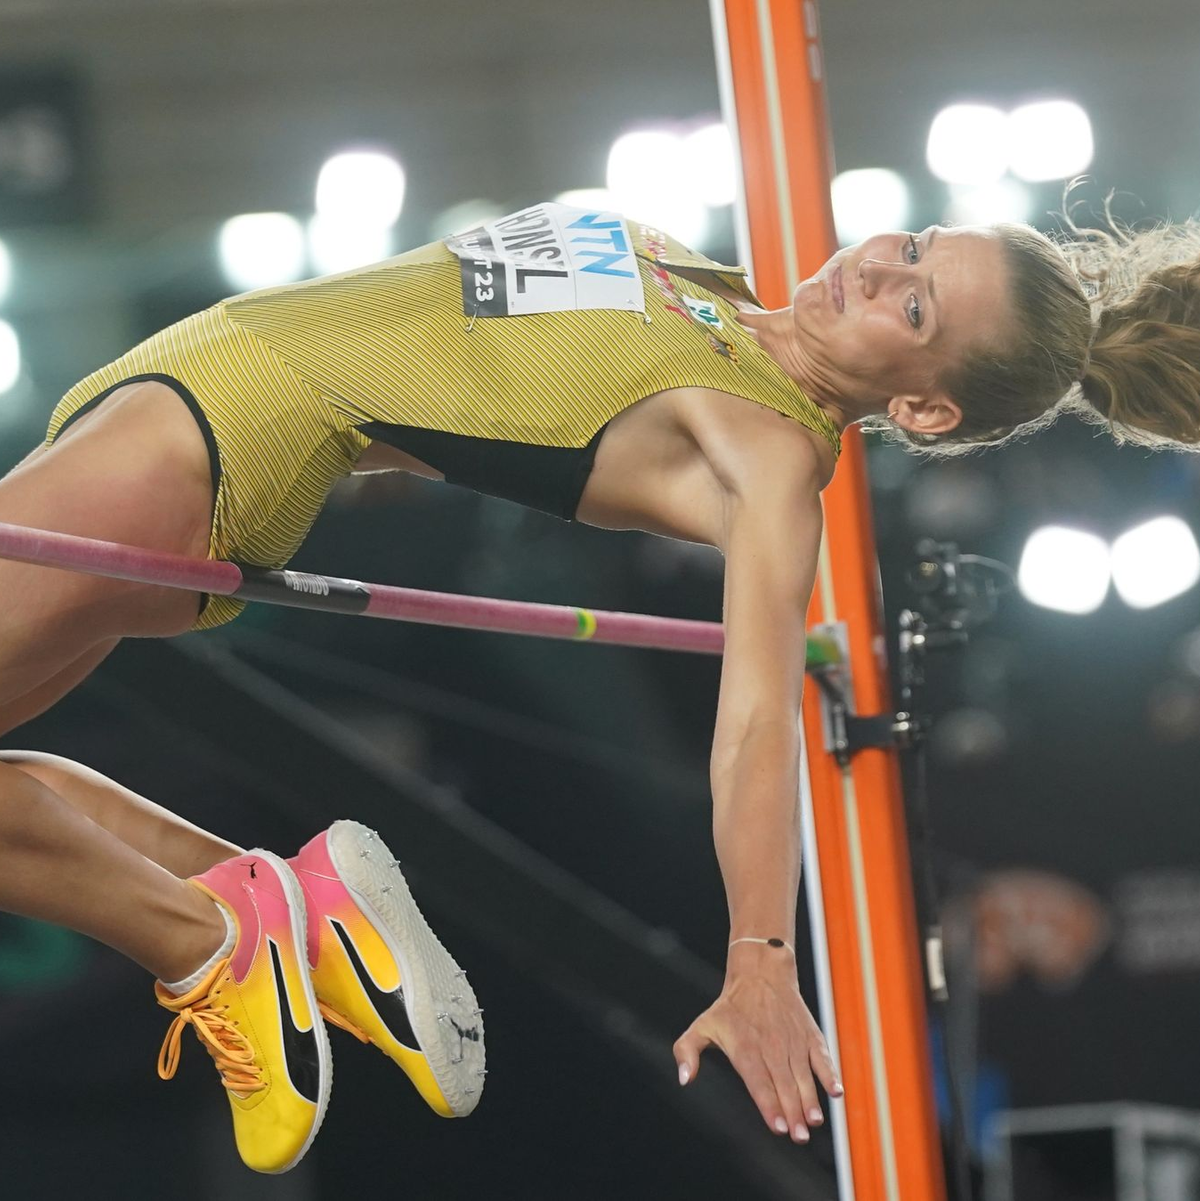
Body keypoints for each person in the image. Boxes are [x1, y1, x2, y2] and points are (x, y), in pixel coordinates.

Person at [0, 196, 1195, 1171]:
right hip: (186, 386)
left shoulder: (770, 453)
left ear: (924, 409)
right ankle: (287, 908)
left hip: (221, 433)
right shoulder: (709, 284)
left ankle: (214, 937)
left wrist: (761, 960)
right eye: (917, 246)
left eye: (916, 303)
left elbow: (753, 729)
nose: (879, 270)